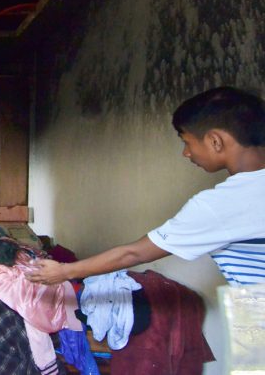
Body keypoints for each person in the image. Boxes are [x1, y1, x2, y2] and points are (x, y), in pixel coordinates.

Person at [26, 86, 265, 287]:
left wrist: (64, 272)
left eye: (187, 142)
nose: (186, 153)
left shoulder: (221, 205)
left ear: (215, 141)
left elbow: (135, 253)